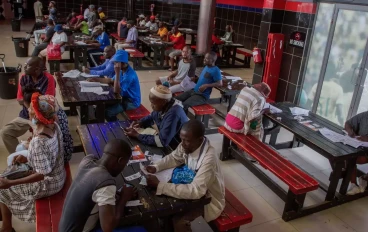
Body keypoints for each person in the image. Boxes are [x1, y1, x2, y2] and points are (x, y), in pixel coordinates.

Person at [0, 93, 66, 232]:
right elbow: (49, 156)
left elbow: (42, 175)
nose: (29, 110)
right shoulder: (54, 126)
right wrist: (29, 157)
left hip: (49, 184)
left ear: (37, 115)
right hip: (59, 175)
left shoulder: (38, 141)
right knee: (7, 173)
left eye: (31, 109)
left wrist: (10, 183)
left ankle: (6, 227)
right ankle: (6, 224)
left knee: (3, 188)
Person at [145, 119, 225, 231]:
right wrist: (156, 166)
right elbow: (174, 157)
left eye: (186, 140)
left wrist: (160, 186)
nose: (182, 144)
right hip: (194, 186)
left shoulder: (209, 159)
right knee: (163, 209)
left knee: (179, 221)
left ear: (200, 140)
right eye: (181, 139)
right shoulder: (188, 143)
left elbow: (196, 191)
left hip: (209, 199)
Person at [59, 139, 146, 232]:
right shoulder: (106, 182)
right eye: (124, 165)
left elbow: (93, 190)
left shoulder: (88, 160)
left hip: (64, 228)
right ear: (120, 160)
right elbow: (108, 227)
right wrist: (124, 198)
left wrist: (117, 194)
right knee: (141, 229)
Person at [0, 57, 55, 154]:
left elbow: (48, 102)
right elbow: (20, 99)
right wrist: (32, 107)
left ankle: (36, 159)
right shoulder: (24, 77)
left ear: (37, 69)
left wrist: (32, 108)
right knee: (5, 132)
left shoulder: (48, 79)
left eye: (28, 65)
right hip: (26, 115)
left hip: (42, 118)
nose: (24, 67)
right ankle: (18, 157)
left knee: (39, 139)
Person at [13, 85, 73, 163]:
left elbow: (43, 171)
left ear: (37, 113)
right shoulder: (50, 112)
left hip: (59, 156)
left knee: (20, 148)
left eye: (30, 108)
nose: (28, 111)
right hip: (62, 151)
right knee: (21, 148)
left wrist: (30, 149)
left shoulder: (46, 129)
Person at [87, 50, 141, 121]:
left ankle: (117, 127)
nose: (115, 65)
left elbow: (117, 91)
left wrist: (117, 73)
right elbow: (110, 80)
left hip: (130, 101)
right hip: (122, 97)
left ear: (124, 64)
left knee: (108, 112)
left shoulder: (129, 75)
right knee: (101, 106)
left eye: (116, 63)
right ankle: (97, 121)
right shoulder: (122, 70)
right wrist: (96, 79)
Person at [344, 111, 368, 195]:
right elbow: (348, 123)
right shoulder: (365, 115)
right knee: (348, 156)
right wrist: (350, 131)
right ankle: (353, 184)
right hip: (359, 147)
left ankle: (365, 179)